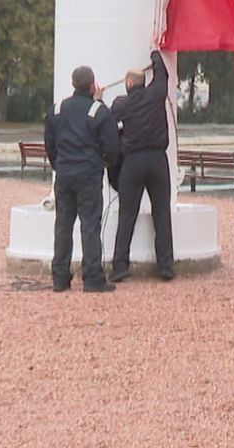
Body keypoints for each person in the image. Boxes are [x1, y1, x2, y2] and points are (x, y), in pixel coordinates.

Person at [44, 65, 121, 293]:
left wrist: (59, 164)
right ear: (92, 85)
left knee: (63, 226)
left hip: (65, 173)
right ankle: (92, 278)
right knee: (89, 226)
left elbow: (49, 144)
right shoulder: (98, 111)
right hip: (88, 174)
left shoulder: (57, 109)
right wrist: (105, 162)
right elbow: (111, 145)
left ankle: (60, 277)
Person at [109, 50, 175, 282]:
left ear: (128, 84)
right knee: (162, 213)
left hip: (133, 161)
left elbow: (107, 121)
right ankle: (166, 266)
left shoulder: (122, 104)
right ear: (143, 82)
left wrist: (97, 99)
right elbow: (162, 76)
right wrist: (155, 53)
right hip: (157, 159)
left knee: (127, 214)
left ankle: (120, 266)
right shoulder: (156, 95)